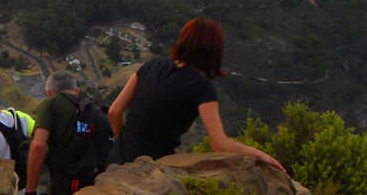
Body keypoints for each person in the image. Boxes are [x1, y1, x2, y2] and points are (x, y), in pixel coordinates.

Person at [107, 17, 285, 172]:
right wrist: (260, 155)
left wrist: (124, 143)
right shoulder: (201, 87)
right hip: (151, 171)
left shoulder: (152, 65)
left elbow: (114, 111)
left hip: (116, 163)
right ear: (214, 51)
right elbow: (219, 144)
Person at [23, 70, 85, 195]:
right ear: (77, 90)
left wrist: (30, 192)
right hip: (92, 180)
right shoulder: (91, 106)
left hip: (64, 184)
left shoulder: (50, 104)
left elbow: (38, 146)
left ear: (49, 93)